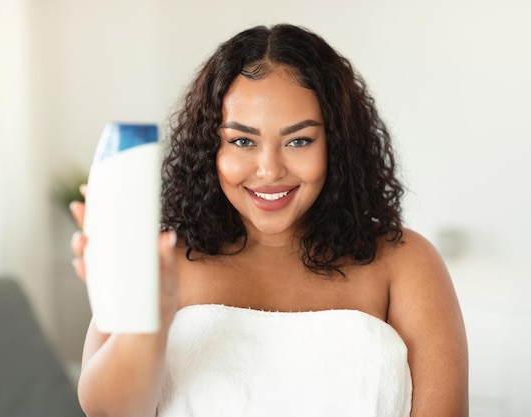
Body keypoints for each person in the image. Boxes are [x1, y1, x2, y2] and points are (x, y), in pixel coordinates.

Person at [69, 23, 468, 417]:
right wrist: (146, 320)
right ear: (210, 147)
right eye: (243, 141)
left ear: (338, 145)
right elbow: (108, 411)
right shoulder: (160, 261)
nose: (269, 169)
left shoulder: (405, 263)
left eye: (299, 140)